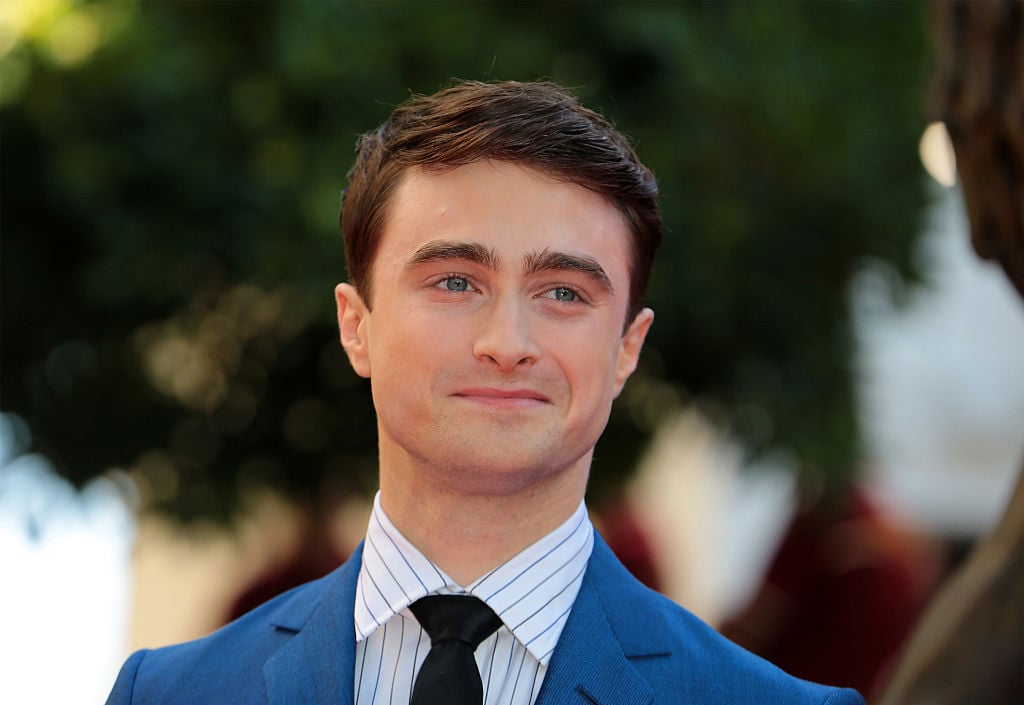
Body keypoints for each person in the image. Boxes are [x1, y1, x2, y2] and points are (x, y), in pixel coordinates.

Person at [105, 80, 864, 705]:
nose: (507, 341)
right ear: (356, 325)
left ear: (627, 350)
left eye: (563, 292)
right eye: (456, 282)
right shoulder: (168, 694)